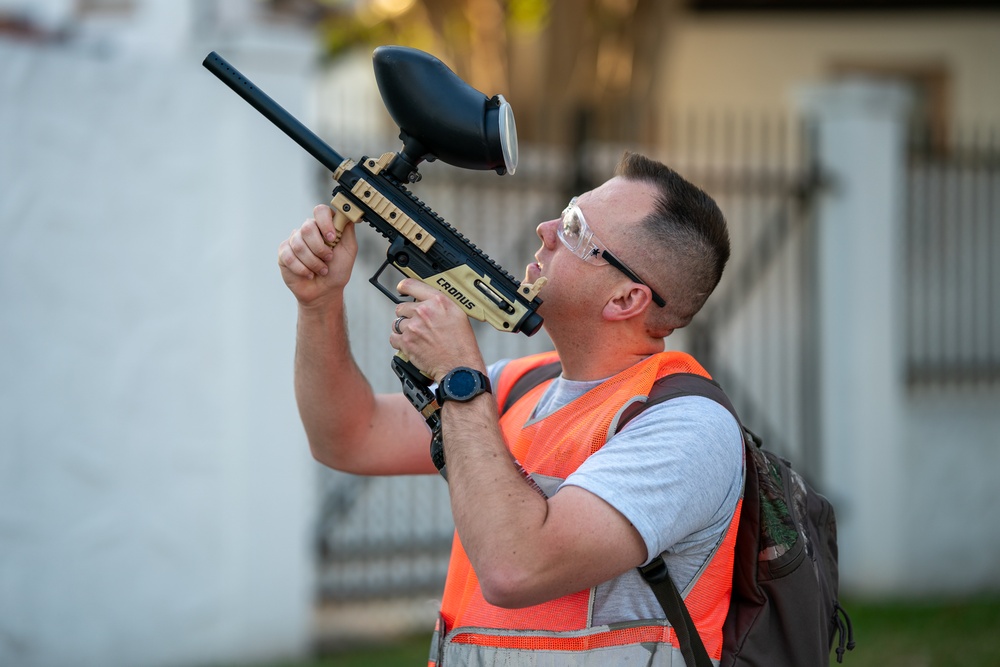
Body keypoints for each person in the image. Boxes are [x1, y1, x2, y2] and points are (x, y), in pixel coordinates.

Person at [278, 151, 744, 665]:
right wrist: (319, 304)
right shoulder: (519, 387)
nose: (547, 229)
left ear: (625, 299)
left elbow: (515, 569)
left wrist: (458, 376)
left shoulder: (688, 427)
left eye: (575, 229)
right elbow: (348, 438)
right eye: (567, 212)